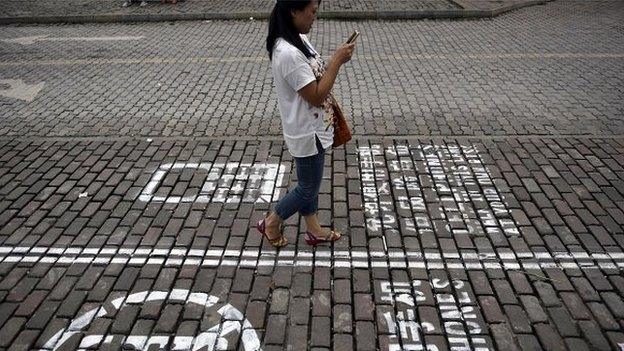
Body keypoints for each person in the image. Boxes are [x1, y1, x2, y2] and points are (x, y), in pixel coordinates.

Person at [257, 0, 356, 247]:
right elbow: (316, 95)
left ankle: (313, 229)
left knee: (308, 183)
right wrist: (336, 62)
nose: (315, 17)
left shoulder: (297, 39)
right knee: (307, 188)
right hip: (306, 131)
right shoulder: (288, 53)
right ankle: (272, 221)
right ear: (294, 11)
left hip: (313, 127)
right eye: (312, 12)